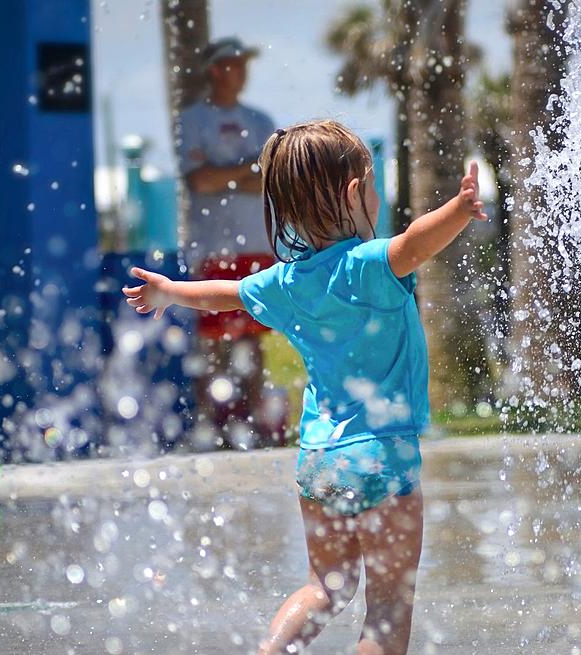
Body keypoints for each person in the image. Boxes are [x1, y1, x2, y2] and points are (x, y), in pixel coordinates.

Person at [123, 120, 487, 654]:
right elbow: (415, 243)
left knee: (325, 587)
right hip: (381, 457)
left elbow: (225, 294)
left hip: (319, 459)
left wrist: (171, 291)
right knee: (387, 604)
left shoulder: (286, 282)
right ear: (355, 193)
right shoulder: (367, 266)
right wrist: (458, 211)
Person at [176, 37, 276, 447]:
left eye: (243, 63)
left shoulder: (261, 118)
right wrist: (243, 172)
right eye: (234, 64)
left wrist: (225, 175)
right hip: (213, 247)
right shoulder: (194, 119)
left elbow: (268, 179)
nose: (242, 71)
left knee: (251, 339)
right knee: (213, 339)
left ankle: (254, 425)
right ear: (215, 70)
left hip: (255, 244)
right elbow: (198, 180)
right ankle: (212, 429)